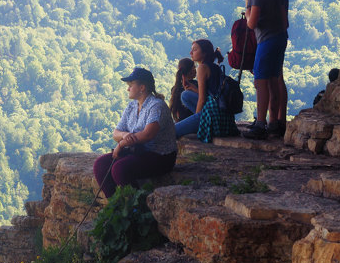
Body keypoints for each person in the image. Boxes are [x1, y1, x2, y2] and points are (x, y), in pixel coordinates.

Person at [93, 67, 177, 198]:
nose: (128, 89)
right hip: (138, 151)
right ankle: (118, 208)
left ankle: (138, 209)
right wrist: (124, 135)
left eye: (131, 85)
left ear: (142, 87)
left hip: (160, 156)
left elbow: (148, 134)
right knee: (101, 165)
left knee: (120, 169)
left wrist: (121, 145)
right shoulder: (132, 106)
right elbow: (116, 133)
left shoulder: (156, 106)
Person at [238, 0, 287, 139]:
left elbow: (251, 24)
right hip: (280, 38)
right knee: (274, 80)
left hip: (266, 40)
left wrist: (248, 6)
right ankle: (274, 123)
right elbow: (284, 20)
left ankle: (260, 124)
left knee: (261, 82)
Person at [174, 40, 236, 138]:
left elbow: (202, 100)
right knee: (186, 95)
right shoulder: (214, 67)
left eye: (194, 50)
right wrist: (195, 89)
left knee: (171, 131)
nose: (191, 53)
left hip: (213, 115)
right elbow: (213, 96)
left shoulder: (202, 68)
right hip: (224, 118)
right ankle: (201, 121)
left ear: (204, 53)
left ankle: (202, 123)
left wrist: (199, 120)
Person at [257, 0, 289, 134]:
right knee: (276, 78)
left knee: (273, 79)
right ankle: (277, 120)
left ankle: (275, 120)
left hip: (273, 34)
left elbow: (278, 7)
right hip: (279, 33)